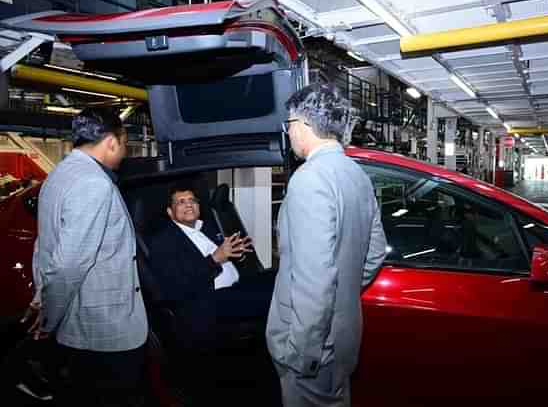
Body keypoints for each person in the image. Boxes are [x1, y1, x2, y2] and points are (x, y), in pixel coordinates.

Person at [267, 83, 388, 406]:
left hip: (313, 348)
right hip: (344, 338)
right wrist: (343, 293)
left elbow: (315, 279)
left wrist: (302, 353)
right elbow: (375, 252)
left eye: (289, 125)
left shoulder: (309, 178)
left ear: (305, 125)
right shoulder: (357, 175)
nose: (289, 133)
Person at [33, 108, 148, 406]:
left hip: (80, 327)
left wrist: (40, 297)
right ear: (112, 142)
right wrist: (49, 318)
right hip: (102, 330)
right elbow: (70, 263)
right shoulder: (93, 183)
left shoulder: (59, 174)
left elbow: (44, 245)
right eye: (124, 144)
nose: (124, 153)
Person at [148, 182, 252, 406]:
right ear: (170, 212)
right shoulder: (164, 242)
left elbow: (222, 259)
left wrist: (237, 254)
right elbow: (177, 286)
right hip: (205, 304)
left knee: (275, 281)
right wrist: (215, 259)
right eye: (181, 202)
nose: (188, 205)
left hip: (232, 292)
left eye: (192, 201)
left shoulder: (204, 230)